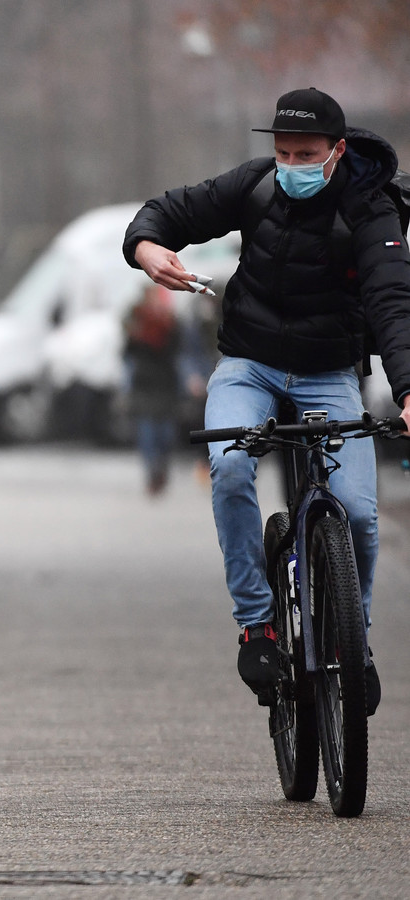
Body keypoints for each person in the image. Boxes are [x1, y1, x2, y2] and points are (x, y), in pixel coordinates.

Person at [123, 88, 410, 714]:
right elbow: (166, 211)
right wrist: (147, 250)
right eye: (283, 153)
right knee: (227, 465)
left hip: (329, 373)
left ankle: (352, 639)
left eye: (306, 154)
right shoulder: (255, 185)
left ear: (337, 151)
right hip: (248, 365)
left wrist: (408, 388)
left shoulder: (373, 208)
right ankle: (257, 624)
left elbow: (392, 300)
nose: (293, 166)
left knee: (359, 516)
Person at [122, 284, 183, 496]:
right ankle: (152, 474)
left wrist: (166, 322)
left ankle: (162, 471)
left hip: (165, 384)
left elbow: (177, 347)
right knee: (147, 433)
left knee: (165, 435)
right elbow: (127, 351)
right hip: (144, 383)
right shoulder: (136, 319)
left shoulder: (170, 321)